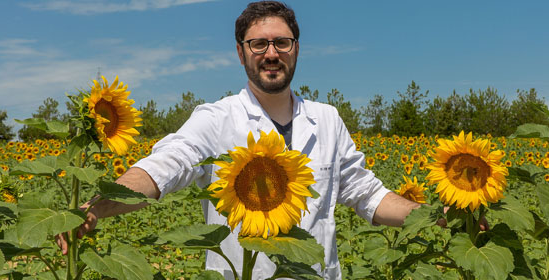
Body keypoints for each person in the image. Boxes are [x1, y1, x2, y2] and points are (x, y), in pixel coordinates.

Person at [57, 1, 443, 279]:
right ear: (241, 54)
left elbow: (367, 195)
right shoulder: (217, 119)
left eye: (282, 42)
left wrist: (437, 220)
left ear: (296, 49)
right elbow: (164, 168)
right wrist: (95, 207)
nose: (271, 53)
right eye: (258, 44)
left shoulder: (327, 120)